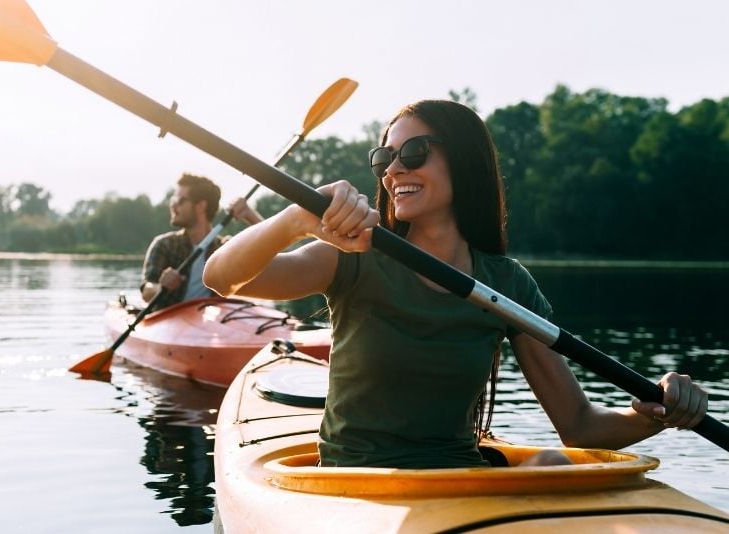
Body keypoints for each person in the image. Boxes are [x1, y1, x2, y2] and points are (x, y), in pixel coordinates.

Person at [202, 100, 708, 469]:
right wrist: (295, 219)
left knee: (552, 462)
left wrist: (657, 412)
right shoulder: (353, 256)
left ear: (463, 161)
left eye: (415, 152)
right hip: (353, 485)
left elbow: (578, 425)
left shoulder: (507, 285)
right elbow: (221, 277)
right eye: (385, 159)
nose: (395, 168)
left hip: (458, 481)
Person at [141, 173, 262, 312]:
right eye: (173, 199)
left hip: (209, 325)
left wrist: (249, 214)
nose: (173, 206)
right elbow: (146, 292)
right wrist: (161, 287)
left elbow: (271, 249)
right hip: (168, 322)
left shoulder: (225, 248)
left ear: (200, 206)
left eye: (180, 200)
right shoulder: (164, 245)